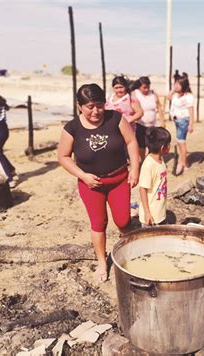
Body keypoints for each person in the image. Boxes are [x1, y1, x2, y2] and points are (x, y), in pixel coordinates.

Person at [57, 83, 139, 282]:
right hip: (90, 184)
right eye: (90, 106)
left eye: (100, 105)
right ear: (79, 106)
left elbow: (131, 141)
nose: (96, 111)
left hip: (118, 179)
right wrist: (83, 175)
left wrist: (135, 168)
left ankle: (124, 249)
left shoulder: (115, 119)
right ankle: (102, 261)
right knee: (98, 223)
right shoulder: (72, 128)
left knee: (123, 221)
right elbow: (63, 157)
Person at [139, 127, 171, 226]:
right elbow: (142, 189)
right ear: (162, 148)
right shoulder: (149, 165)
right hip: (151, 217)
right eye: (168, 144)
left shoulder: (160, 160)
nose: (170, 146)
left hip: (159, 212)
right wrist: (147, 213)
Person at [131, 77, 166, 161]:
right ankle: (143, 161)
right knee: (142, 146)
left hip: (153, 125)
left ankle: (151, 161)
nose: (147, 89)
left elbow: (159, 108)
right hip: (140, 125)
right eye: (144, 87)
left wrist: (162, 121)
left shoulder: (153, 94)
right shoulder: (135, 94)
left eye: (148, 87)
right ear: (139, 87)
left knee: (152, 146)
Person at [167, 75, 195, 175]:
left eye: (179, 84)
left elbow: (191, 111)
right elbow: (168, 97)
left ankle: (181, 163)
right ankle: (186, 162)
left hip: (184, 121)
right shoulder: (176, 94)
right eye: (176, 83)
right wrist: (173, 89)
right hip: (177, 120)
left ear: (184, 85)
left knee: (181, 142)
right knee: (179, 142)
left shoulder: (188, 96)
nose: (176, 85)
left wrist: (191, 124)